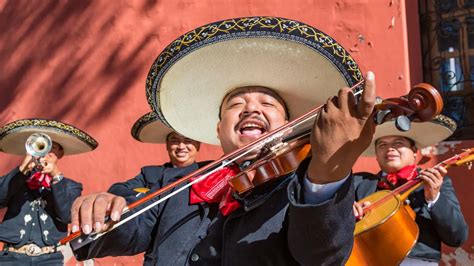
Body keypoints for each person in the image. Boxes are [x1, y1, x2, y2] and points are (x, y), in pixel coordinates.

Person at [70, 17, 376, 265]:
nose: (251, 108)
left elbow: (320, 256)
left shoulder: (300, 187)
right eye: (235, 104)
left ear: (286, 126)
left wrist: (327, 175)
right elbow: (126, 233)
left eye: (267, 104)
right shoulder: (181, 184)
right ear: (219, 129)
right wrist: (101, 212)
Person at [353, 115, 469, 265]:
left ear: (414, 152)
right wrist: (346, 214)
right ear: (376, 155)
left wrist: (434, 198)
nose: (390, 149)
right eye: (382, 145)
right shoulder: (359, 182)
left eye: (398, 143)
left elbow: (457, 237)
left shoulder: (435, 182)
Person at [0, 118, 98, 265]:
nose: (45, 151)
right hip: (10, 258)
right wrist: (22, 170)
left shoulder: (71, 186)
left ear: (60, 153)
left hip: (49, 259)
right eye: (40, 145)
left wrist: (56, 176)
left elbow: (66, 216)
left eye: (52, 146)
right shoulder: (16, 180)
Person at [108, 112, 207, 198]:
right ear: (167, 145)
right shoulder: (150, 173)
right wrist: (145, 196)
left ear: (197, 145)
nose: (181, 146)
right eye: (175, 141)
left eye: (187, 141)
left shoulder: (208, 172)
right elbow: (116, 189)